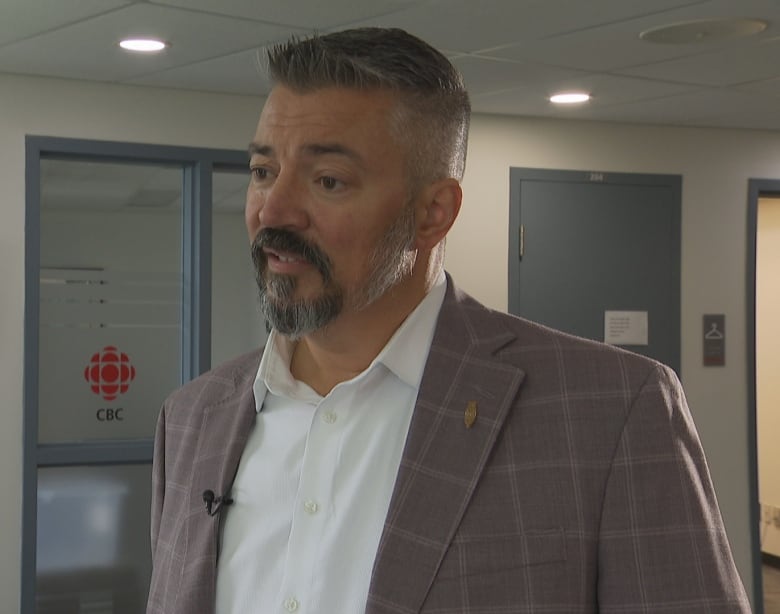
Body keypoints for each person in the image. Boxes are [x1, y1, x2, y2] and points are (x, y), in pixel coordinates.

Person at [146, 27, 750, 614]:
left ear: (433, 213)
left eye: (328, 180)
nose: (271, 210)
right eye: (262, 171)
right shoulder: (195, 418)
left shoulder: (609, 413)